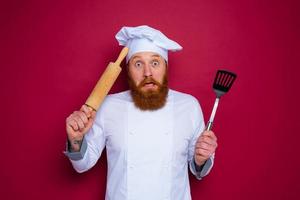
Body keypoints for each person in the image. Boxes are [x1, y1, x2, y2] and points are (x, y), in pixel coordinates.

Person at [64, 25, 218, 200]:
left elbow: (198, 167)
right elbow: (82, 164)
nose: (147, 73)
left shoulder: (189, 106)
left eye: (155, 63)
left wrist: (201, 158)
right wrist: (76, 141)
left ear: (165, 67)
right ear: (128, 70)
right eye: (138, 64)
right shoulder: (108, 106)